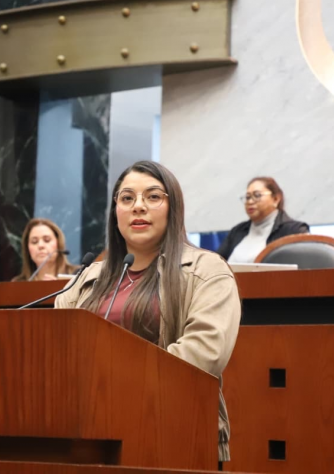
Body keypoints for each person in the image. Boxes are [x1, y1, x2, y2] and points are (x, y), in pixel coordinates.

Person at [55, 160, 241, 463]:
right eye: (127, 198)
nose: (138, 206)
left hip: (173, 431)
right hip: (85, 433)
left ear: (173, 208)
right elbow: (57, 350)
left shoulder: (207, 270)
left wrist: (119, 385)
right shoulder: (86, 278)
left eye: (153, 196)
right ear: (115, 210)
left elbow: (206, 351)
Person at [217, 177, 309, 263]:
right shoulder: (237, 231)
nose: (250, 201)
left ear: (276, 199)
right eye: (247, 197)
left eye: (257, 195)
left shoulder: (294, 231)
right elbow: (216, 263)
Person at [13, 218, 78, 281]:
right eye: (34, 242)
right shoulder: (18, 283)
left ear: (58, 244)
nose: (40, 245)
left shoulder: (78, 275)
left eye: (47, 240)